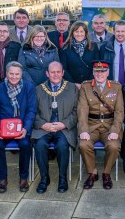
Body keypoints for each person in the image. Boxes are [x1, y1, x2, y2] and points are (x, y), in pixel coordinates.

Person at [0, 61, 37, 193]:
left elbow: (31, 111)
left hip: (22, 128)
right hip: (3, 128)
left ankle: (23, 178)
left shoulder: (29, 87)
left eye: (17, 74)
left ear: (21, 75)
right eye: (11, 74)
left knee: (25, 145)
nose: (14, 77)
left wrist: (26, 128)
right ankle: (2, 179)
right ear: (6, 73)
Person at [32, 61, 78, 194]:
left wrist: (64, 124)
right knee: (39, 145)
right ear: (47, 73)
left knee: (62, 146)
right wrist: (42, 124)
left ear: (63, 73)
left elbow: (76, 111)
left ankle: (62, 179)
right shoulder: (38, 89)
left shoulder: (72, 88)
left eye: (58, 72)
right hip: (44, 127)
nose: (56, 75)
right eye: (52, 72)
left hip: (64, 127)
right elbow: (32, 112)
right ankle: (44, 178)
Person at [78, 61, 124, 190]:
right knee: (83, 144)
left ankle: (106, 173)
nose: (100, 74)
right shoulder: (86, 87)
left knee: (114, 146)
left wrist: (115, 130)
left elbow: (119, 112)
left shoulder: (116, 87)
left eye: (103, 71)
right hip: (91, 125)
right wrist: (83, 130)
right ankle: (92, 173)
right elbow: (82, 110)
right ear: (93, 72)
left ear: (108, 72)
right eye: (97, 71)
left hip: (109, 126)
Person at [99, 20, 125, 88]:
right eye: (118, 31)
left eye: (122, 31)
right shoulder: (104, 47)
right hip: (110, 86)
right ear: (114, 31)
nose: (120, 34)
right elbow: (100, 67)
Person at [60, 21, 100, 87]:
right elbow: (63, 68)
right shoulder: (65, 48)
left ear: (86, 33)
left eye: (81, 32)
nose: (79, 34)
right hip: (71, 85)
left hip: (90, 85)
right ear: (72, 33)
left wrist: (88, 83)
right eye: (76, 31)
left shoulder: (93, 46)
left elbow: (96, 66)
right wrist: (73, 84)